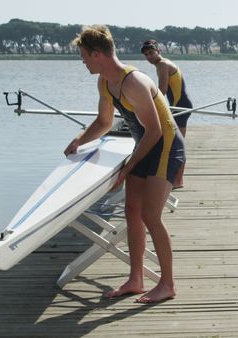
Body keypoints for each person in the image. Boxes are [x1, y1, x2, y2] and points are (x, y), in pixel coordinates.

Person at [66, 25, 184, 303]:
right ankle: (136, 279)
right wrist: (79, 140)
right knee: (132, 211)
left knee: (150, 216)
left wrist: (127, 167)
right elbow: (105, 123)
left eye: (84, 55)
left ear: (97, 54)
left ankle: (167, 284)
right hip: (145, 145)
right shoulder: (105, 82)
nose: (82, 60)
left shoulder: (135, 82)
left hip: (165, 145)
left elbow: (155, 131)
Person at [141, 39, 192, 189]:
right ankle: (175, 179)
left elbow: (161, 91)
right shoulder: (163, 63)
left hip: (180, 107)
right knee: (175, 142)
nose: (149, 56)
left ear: (158, 51)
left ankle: (178, 181)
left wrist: (146, 106)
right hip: (178, 106)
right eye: (146, 55)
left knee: (178, 144)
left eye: (151, 53)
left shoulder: (162, 65)